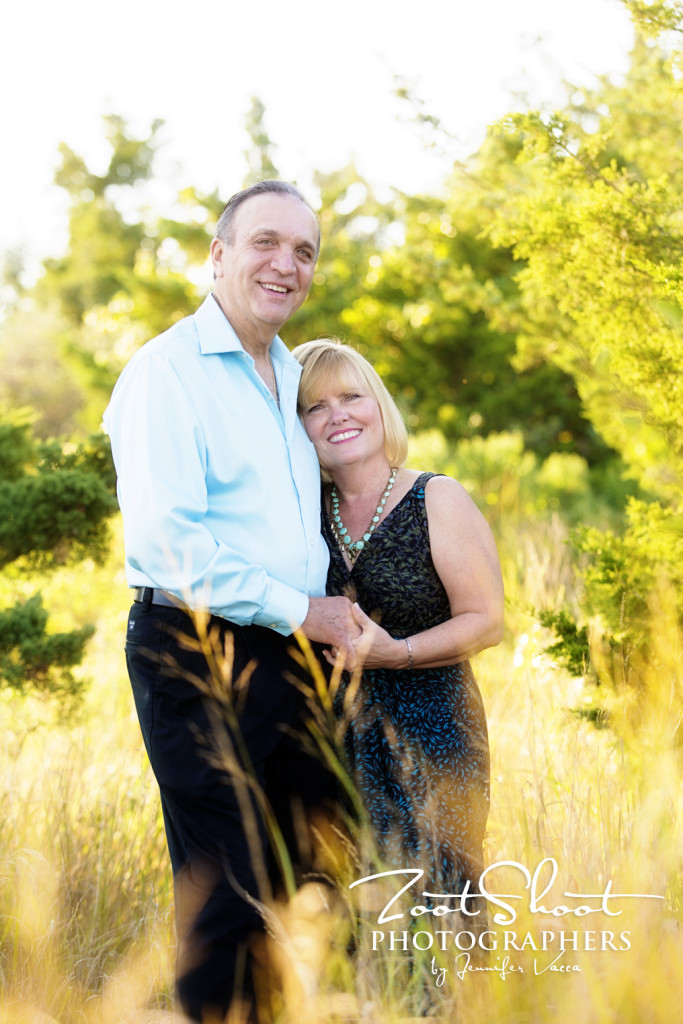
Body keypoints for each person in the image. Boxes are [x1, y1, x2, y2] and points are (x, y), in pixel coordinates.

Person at [103, 182, 359, 1023]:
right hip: (195, 647)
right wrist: (300, 607)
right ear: (217, 256)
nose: (286, 264)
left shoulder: (293, 376)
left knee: (312, 874)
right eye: (265, 243)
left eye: (305, 251)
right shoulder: (165, 373)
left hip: (299, 653)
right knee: (228, 876)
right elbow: (169, 541)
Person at [292, 337, 504, 912]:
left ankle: (469, 1005)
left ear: (378, 405)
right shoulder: (301, 513)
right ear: (299, 427)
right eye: (314, 406)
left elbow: (487, 621)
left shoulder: (437, 497)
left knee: (440, 901)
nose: (336, 415)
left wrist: (397, 652)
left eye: (351, 396)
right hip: (332, 739)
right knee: (350, 908)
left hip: (435, 729)